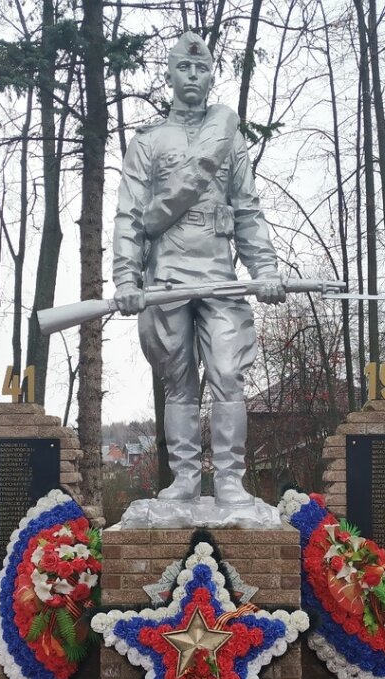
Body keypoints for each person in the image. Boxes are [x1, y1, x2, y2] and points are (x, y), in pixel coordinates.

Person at [113, 31, 285, 506]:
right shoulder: (147, 142)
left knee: (228, 374)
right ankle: (185, 478)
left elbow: (247, 210)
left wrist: (265, 267)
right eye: (184, 68)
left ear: (211, 76)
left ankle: (230, 477)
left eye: (201, 68)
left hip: (219, 276)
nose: (192, 75)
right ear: (168, 74)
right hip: (165, 277)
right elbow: (130, 214)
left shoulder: (229, 141)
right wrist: (127, 277)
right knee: (179, 380)